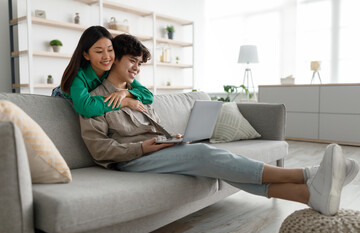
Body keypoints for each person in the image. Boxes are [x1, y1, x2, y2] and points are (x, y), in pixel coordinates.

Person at [79, 34, 359, 216]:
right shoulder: (94, 101)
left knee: (212, 161)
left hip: (158, 150)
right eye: (132, 61)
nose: (137, 68)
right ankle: (308, 173)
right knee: (206, 154)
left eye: (140, 64)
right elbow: (100, 150)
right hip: (131, 160)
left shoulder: (137, 94)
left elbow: (151, 124)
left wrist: (170, 138)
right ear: (114, 59)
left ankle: (309, 195)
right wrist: (143, 147)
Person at [58, 26, 153, 117]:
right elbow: (86, 107)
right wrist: (125, 101)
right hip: (64, 97)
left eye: (110, 50)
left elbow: (148, 95)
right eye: (99, 51)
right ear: (86, 55)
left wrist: (124, 93)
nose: (107, 57)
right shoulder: (78, 76)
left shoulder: (112, 68)